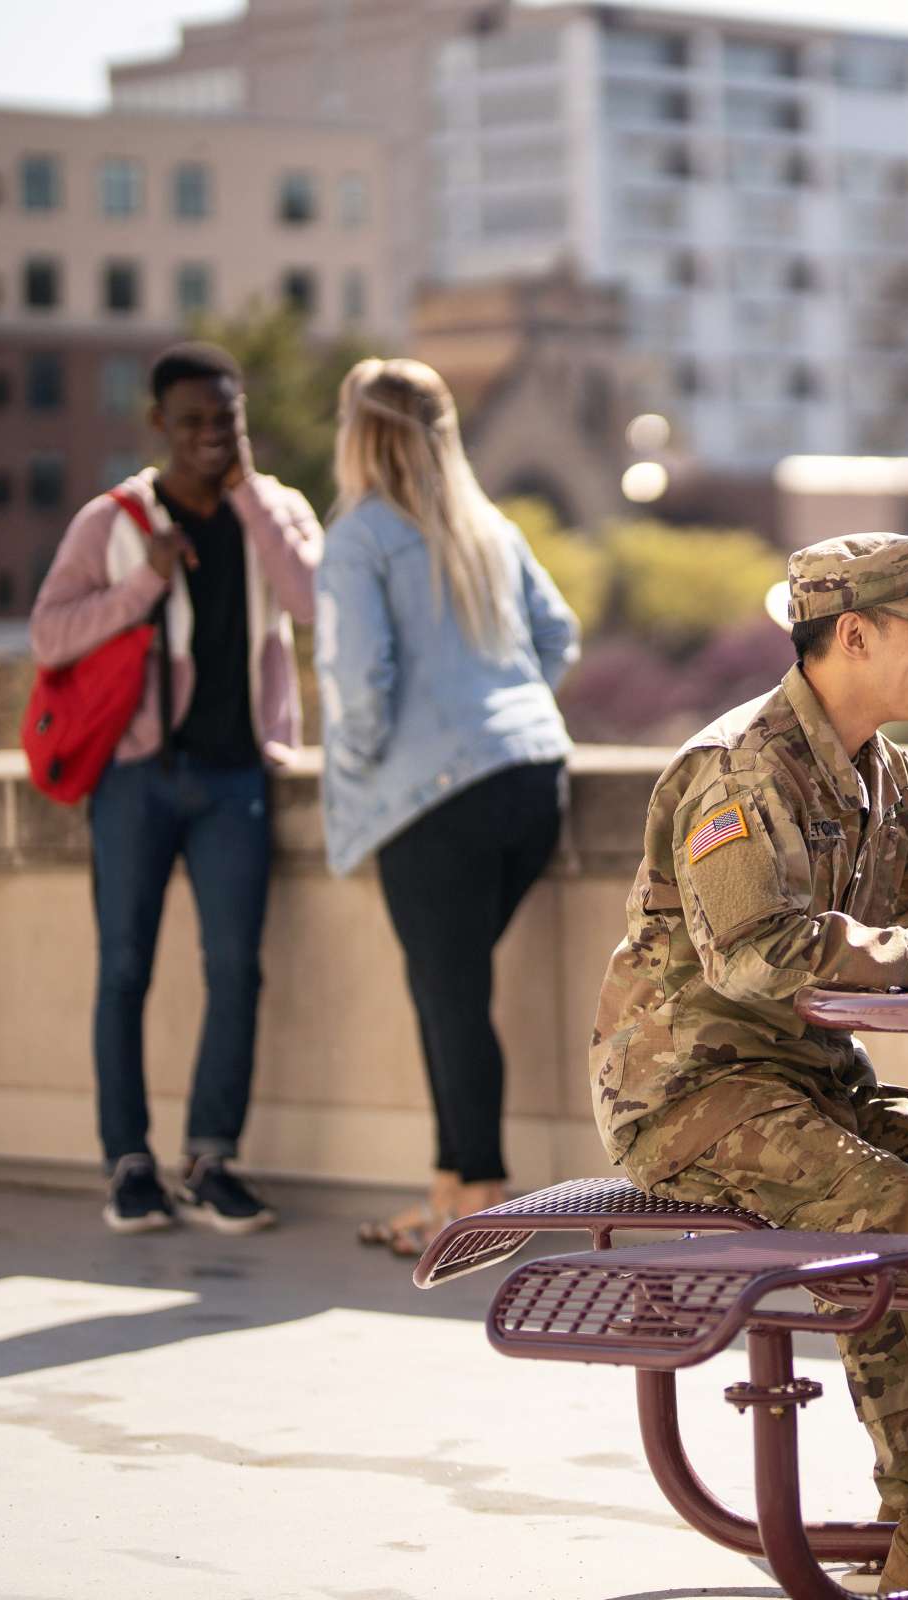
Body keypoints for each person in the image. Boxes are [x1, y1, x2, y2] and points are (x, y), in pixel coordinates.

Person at [588, 533, 908, 1592]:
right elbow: (761, 956)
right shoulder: (738, 770)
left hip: (812, 1085)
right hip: (692, 1092)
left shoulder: (887, 774)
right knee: (891, 1206)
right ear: (853, 636)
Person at [27, 341, 323, 1235]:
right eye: (190, 421)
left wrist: (246, 499)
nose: (209, 436)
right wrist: (141, 584)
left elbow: (314, 605)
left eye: (224, 419)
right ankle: (129, 1164)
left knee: (235, 970)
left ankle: (211, 1159)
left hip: (236, 777)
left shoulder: (274, 509)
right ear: (158, 424)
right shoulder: (111, 523)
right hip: (135, 779)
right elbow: (48, 635)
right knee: (123, 969)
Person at [315, 357, 580, 1255]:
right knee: (444, 991)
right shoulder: (486, 524)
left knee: (452, 997)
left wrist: (358, 768)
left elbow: (357, 686)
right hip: (532, 780)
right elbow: (559, 636)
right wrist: (502, 717)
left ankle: (480, 1205)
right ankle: (444, 1192)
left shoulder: (357, 537)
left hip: (434, 801)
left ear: (358, 435)